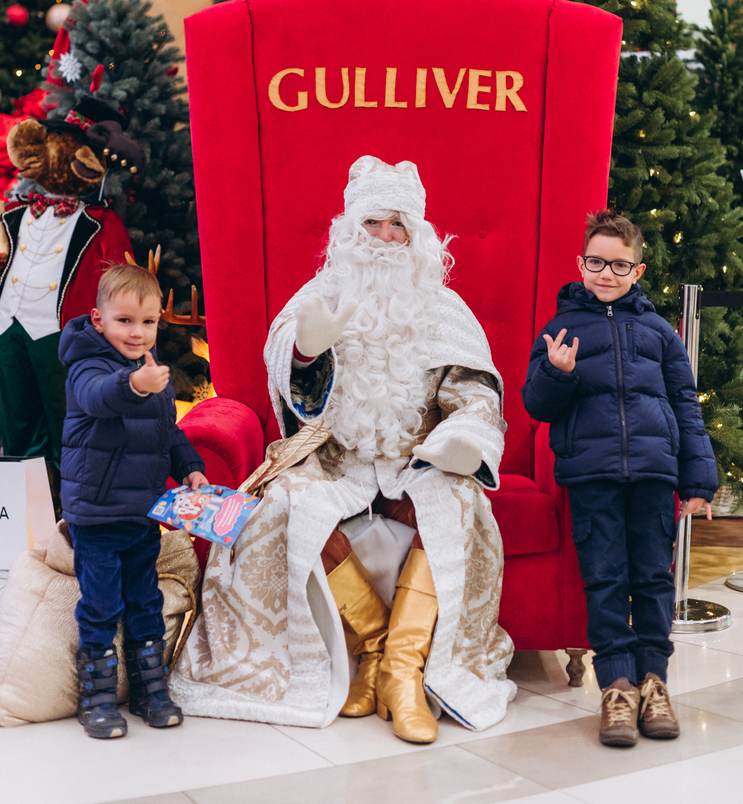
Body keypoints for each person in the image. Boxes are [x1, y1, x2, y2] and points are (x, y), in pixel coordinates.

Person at [170, 156, 516, 741]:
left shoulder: (444, 308)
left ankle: (402, 672)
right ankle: (377, 648)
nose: (384, 238)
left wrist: (461, 441)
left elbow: (474, 391)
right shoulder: (321, 295)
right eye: (373, 223)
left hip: (417, 462)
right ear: (351, 230)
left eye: (398, 225)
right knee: (281, 507)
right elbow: (291, 377)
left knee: (458, 504)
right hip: (336, 461)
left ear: (419, 236)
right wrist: (308, 355)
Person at [522, 209, 717, 748]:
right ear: (580, 264)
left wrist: (698, 480)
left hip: (654, 476)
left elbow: (685, 405)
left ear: (639, 270)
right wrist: (556, 374)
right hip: (592, 477)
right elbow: (536, 406)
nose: (606, 273)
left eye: (619, 265)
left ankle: (655, 684)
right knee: (605, 579)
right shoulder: (559, 331)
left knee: (653, 579)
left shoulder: (659, 333)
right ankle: (618, 689)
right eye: (596, 262)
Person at [58, 263, 208, 740]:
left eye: (148, 322)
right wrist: (133, 386)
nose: (137, 332)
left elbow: (167, 428)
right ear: (98, 320)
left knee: (145, 601)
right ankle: (97, 698)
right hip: (97, 514)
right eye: (124, 321)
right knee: (101, 605)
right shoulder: (88, 364)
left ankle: (150, 690)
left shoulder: (152, 366)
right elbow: (98, 398)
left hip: (142, 514)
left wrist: (188, 464)